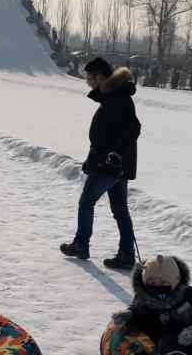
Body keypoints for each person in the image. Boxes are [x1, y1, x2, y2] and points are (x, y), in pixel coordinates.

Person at [60, 57, 141, 270]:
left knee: (87, 200)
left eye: (89, 77)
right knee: (119, 208)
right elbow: (108, 134)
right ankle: (126, 254)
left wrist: (115, 154)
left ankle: (81, 244)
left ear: (100, 77)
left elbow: (132, 129)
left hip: (110, 165)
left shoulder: (117, 98)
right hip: (113, 163)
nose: (88, 82)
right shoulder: (113, 97)